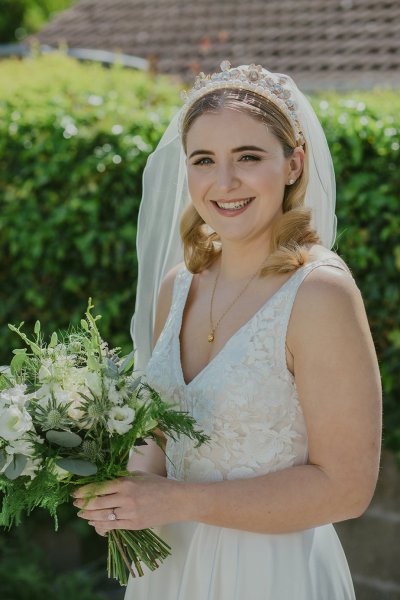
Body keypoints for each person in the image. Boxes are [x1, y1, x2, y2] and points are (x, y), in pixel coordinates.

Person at [74, 62, 382, 599]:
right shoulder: (178, 285)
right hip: (169, 571)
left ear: (293, 165)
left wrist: (176, 501)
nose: (224, 182)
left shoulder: (319, 293)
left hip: (272, 573)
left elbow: (347, 489)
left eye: (248, 157)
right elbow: (161, 433)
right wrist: (120, 490)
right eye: (204, 160)